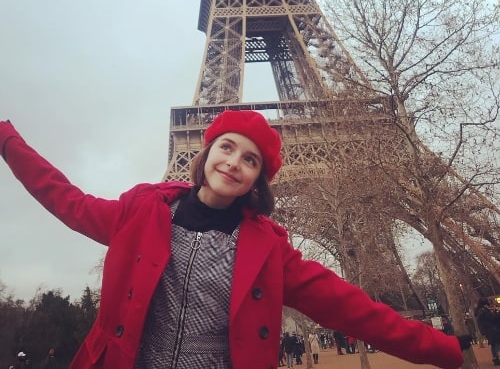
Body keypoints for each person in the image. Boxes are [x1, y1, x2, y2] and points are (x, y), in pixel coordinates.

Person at [1, 111, 471, 369]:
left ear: (256, 182)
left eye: (250, 160)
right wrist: (6, 139)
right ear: (206, 154)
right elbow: (65, 199)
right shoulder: (141, 214)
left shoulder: (270, 253)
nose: (233, 162)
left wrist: (445, 350)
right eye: (226, 147)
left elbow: (352, 309)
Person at [474, 297, 500, 365]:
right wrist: (495, 312)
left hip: (487, 330)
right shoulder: (483, 311)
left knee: (493, 344)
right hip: (491, 329)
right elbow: (492, 318)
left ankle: (495, 358)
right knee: (497, 342)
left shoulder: (480, 311)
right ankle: (497, 356)